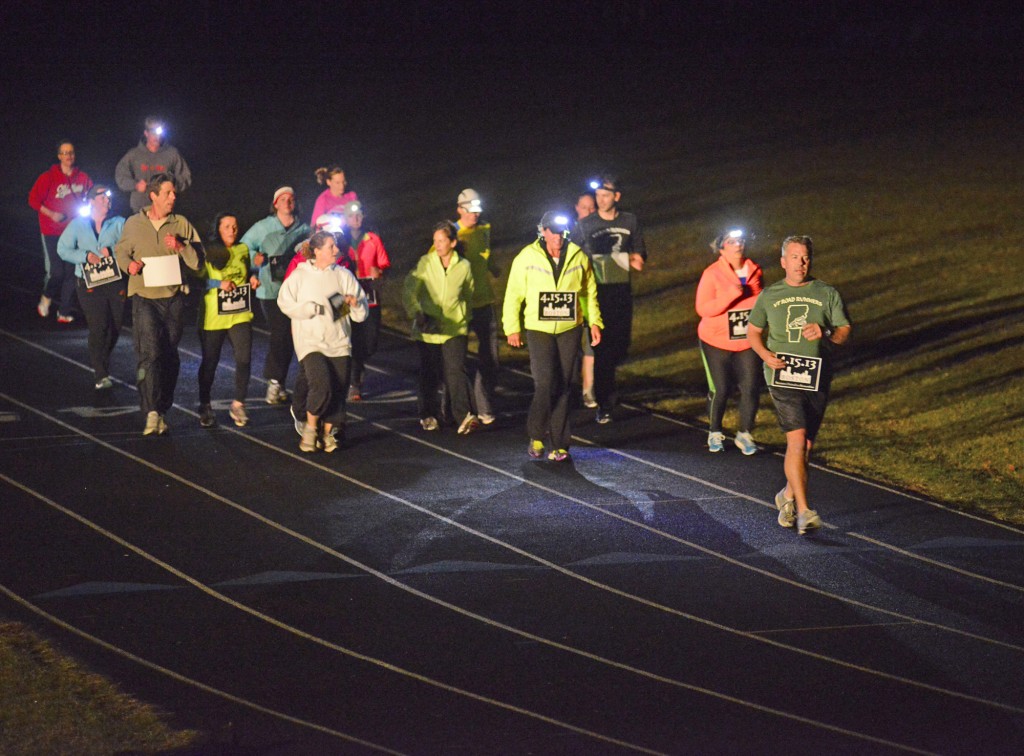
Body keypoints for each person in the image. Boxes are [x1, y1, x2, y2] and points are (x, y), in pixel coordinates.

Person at [747, 235, 852, 535]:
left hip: (816, 375)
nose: (800, 262)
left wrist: (826, 331)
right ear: (783, 261)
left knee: (805, 446)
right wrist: (766, 355)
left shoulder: (826, 293)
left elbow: (845, 330)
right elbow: (753, 332)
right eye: (794, 257)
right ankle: (804, 511)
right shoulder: (770, 295)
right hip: (782, 376)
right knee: (797, 439)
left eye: (805, 257)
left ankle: (787, 495)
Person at [503, 212, 603, 462]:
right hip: (539, 329)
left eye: (561, 231)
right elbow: (513, 293)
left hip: (570, 328)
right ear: (543, 231)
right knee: (546, 383)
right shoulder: (527, 257)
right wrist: (511, 327)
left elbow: (588, 292)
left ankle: (560, 443)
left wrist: (594, 322)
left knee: (565, 385)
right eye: (552, 231)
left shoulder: (578, 256)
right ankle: (536, 434)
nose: (557, 236)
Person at [114, 174, 204, 435]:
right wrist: (128, 265)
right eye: (168, 193)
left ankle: (162, 407)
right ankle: (152, 412)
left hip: (173, 298)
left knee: (168, 354)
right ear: (153, 196)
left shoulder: (182, 224)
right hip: (144, 297)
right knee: (150, 353)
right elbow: (121, 252)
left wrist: (180, 246)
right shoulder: (134, 223)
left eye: (174, 193)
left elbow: (198, 263)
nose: (173, 197)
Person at [278, 230, 368, 452]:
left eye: (335, 246)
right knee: (321, 384)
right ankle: (310, 429)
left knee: (338, 389)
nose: (336, 250)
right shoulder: (300, 275)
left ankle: (328, 434)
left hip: (338, 342)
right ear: (317, 251)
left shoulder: (343, 276)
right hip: (311, 342)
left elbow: (358, 314)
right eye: (331, 246)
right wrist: (307, 309)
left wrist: (353, 304)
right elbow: (284, 302)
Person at [571, 175, 646, 423]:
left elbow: (639, 259)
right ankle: (604, 402)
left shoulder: (630, 221)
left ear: (617, 196)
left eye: (606, 195)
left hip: (621, 292)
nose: (601, 200)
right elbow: (574, 258)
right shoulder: (586, 225)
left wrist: (623, 261)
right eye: (598, 196)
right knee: (600, 347)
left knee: (621, 346)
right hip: (596, 293)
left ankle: (605, 389)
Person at [403, 221, 477, 434]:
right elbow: (410, 290)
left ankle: (462, 415)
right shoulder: (425, 263)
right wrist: (417, 312)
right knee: (429, 373)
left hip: (454, 328)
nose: (438, 245)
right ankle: (428, 414)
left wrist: (464, 316)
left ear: (453, 242)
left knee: (456, 371)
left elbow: (468, 293)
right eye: (435, 241)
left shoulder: (464, 266)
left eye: (442, 241)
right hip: (428, 329)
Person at [695, 229, 765, 454]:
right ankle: (715, 431)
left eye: (741, 241)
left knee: (751, 387)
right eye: (731, 241)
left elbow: (759, 300)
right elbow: (703, 308)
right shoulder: (712, 273)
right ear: (721, 247)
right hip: (716, 341)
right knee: (721, 388)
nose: (738, 245)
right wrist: (730, 296)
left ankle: (745, 433)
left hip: (746, 340)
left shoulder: (754, 270)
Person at [240, 187, 312, 404]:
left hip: (298, 291)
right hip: (271, 291)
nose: (288, 202)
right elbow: (243, 247)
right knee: (280, 334)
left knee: (294, 337)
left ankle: (285, 382)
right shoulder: (264, 227)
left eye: (291, 199)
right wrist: (255, 259)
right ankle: (273, 382)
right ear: (275, 204)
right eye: (283, 199)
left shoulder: (304, 228)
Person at [56, 185, 125, 388]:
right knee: (98, 326)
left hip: (114, 281)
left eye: (109, 198)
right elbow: (62, 249)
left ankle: (102, 360)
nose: (107, 200)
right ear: (92, 201)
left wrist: (112, 250)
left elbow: (130, 246)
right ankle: (100, 373)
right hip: (88, 283)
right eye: (102, 197)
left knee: (115, 327)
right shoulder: (78, 224)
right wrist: (85, 256)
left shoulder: (119, 222)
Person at [195, 213, 259, 428]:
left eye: (235, 226)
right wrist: (217, 284)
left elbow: (248, 271)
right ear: (218, 229)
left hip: (240, 311)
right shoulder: (209, 251)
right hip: (214, 314)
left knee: (244, 356)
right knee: (210, 362)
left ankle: (239, 403)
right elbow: (197, 279)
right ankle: (204, 404)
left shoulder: (242, 249)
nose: (232, 230)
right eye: (227, 227)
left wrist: (253, 277)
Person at [28, 140, 92, 322]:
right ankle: (46, 298)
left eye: (71, 152)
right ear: (59, 156)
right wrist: (51, 214)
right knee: (57, 272)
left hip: (74, 232)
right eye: (64, 153)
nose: (68, 156)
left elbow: (92, 195)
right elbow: (33, 200)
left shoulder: (83, 178)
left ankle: (64, 312)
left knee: (72, 273)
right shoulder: (48, 177)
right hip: (52, 231)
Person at [452, 188, 499, 423]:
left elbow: (485, 255)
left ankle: (483, 404)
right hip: (461, 307)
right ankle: (458, 407)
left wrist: (493, 267)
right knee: (456, 360)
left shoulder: (485, 229)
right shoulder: (451, 234)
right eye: (470, 211)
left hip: (484, 302)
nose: (475, 215)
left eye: (477, 211)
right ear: (459, 210)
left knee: (490, 358)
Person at [341, 200, 391, 400]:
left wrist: (379, 270)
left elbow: (385, 263)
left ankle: (359, 363)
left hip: (370, 295)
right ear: (345, 218)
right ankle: (354, 382)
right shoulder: (340, 240)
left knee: (370, 342)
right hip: (348, 296)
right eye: (352, 215)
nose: (356, 219)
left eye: (360, 215)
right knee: (349, 338)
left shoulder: (373, 239)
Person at [115, 116, 192, 213]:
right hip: (140, 210)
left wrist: (172, 185)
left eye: (159, 132)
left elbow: (185, 177)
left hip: (166, 210)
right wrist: (135, 185)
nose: (157, 136)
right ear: (146, 133)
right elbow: (120, 175)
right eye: (153, 132)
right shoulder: (134, 154)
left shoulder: (172, 153)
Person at [574, 188, 598, 408]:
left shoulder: (602, 232)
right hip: (572, 298)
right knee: (569, 346)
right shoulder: (569, 234)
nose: (589, 211)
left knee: (592, 344)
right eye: (585, 208)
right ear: (576, 209)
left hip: (593, 297)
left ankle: (588, 390)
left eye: (593, 207)